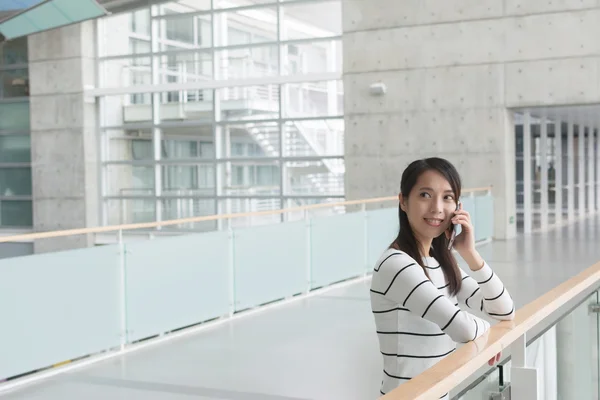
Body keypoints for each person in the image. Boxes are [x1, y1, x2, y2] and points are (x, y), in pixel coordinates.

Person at [370, 158, 515, 398]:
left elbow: (504, 310)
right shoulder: (396, 265)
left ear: (457, 207)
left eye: (447, 197)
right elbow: (463, 329)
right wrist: (486, 331)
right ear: (403, 201)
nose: (437, 208)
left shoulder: (440, 262)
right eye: (425, 195)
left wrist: (470, 253)